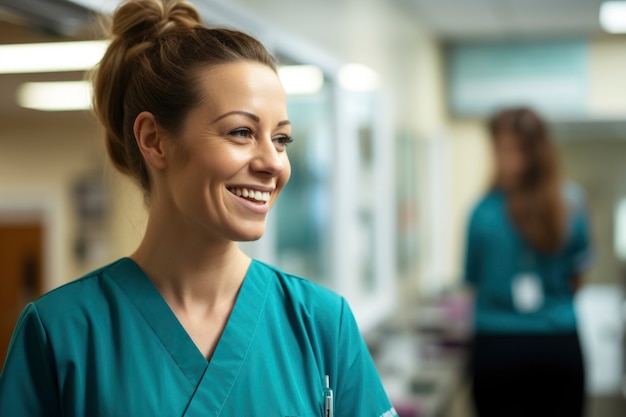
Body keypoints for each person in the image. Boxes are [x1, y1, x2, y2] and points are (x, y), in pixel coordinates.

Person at [0, 1, 397, 416]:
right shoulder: (62, 334)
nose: (273, 163)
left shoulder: (321, 325)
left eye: (281, 140)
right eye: (242, 132)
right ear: (154, 139)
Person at [464, 107, 589, 417]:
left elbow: (473, 280)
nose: (507, 159)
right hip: (556, 342)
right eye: (501, 150)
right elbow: (577, 277)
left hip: (499, 347)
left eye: (512, 150)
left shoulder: (483, 211)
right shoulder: (570, 202)